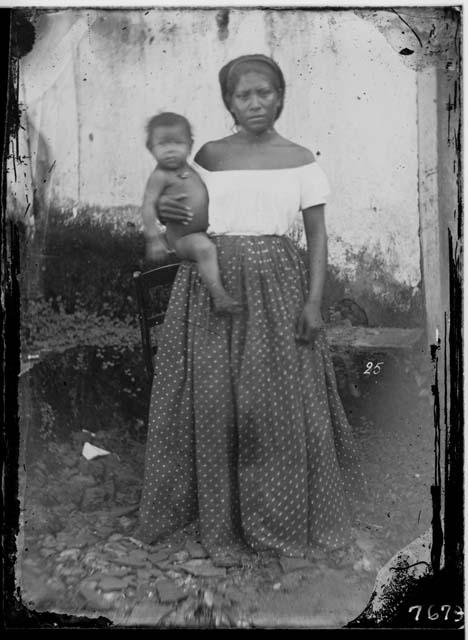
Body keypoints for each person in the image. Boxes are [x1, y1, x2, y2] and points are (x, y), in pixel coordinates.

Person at [136, 54, 367, 565]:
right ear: (228, 102)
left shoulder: (303, 159)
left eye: (265, 92)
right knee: (216, 401)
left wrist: (313, 302)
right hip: (211, 289)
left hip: (279, 287)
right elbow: (183, 225)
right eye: (244, 95)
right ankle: (223, 522)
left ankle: (278, 518)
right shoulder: (209, 157)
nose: (256, 103)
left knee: (276, 403)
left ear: (280, 97)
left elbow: (317, 236)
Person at [141, 111, 243, 315]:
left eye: (177, 143)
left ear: (190, 145)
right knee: (205, 249)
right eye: (162, 144)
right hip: (184, 238)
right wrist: (153, 239)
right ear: (150, 148)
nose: (170, 150)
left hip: (202, 231)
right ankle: (219, 297)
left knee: (215, 249)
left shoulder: (192, 169)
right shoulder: (160, 176)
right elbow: (148, 206)